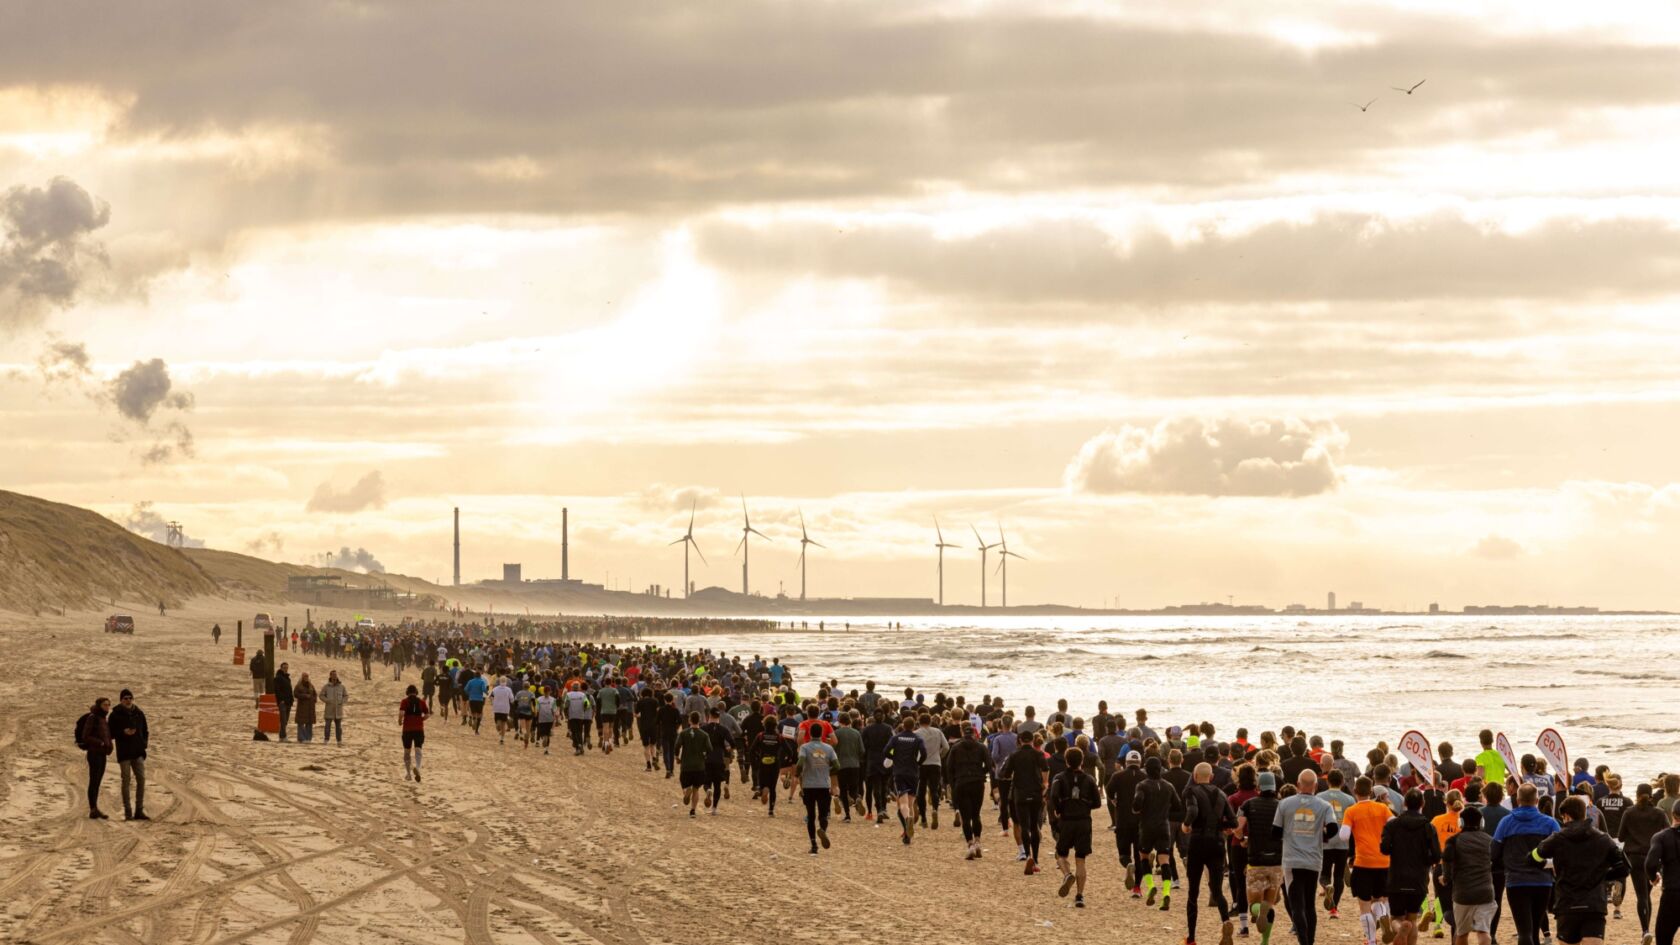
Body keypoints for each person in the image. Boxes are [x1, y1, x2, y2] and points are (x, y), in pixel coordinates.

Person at [1537, 795, 1628, 945]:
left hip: (1567, 903)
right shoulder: (1603, 838)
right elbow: (1624, 867)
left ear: (1565, 816)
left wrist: (1548, 868)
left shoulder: (1557, 838)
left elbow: (1533, 857)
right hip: (1594, 904)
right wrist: (1603, 875)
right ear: (1584, 813)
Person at [1276, 770, 1340, 945]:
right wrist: (1321, 834)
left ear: (1297, 785)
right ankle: (1309, 942)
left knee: (1297, 904)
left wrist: (1290, 832)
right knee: (1310, 905)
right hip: (1313, 858)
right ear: (1316, 786)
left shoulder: (1284, 804)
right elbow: (1334, 829)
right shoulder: (1324, 805)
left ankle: (1303, 942)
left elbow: (1275, 831)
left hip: (1291, 859)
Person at [1491, 784, 1560, 945]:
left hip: (1516, 881)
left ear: (1517, 800)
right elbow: (1561, 852)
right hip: (1542, 881)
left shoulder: (1506, 822)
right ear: (1537, 801)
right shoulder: (1550, 823)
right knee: (1535, 930)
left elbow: (1494, 852)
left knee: (1524, 931)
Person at [1183, 761, 1239, 945]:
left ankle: (1191, 938)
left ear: (1195, 775)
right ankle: (1226, 921)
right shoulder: (1221, 794)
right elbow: (1234, 822)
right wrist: (1222, 827)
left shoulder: (1191, 791)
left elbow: (1192, 810)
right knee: (1216, 891)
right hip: (1217, 844)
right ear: (1212, 777)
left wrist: (1186, 824)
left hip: (1198, 842)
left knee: (1193, 892)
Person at [1382, 789, 1443, 945]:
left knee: (1396, 918)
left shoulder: (1393, 825)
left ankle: (1400, 928)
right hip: (1418, 879)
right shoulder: (1428, 827)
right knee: (1412, 919)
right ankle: (1406, 927)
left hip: (1396, 878)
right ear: (1422, 804)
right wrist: (1425, 860)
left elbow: (1384, 849)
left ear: (1404, 803)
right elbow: (1437, 856)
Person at [1343, 776, 1395, 945]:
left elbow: (1343, 835)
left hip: (1363, 862)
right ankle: (1382, 915)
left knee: (1364, 905)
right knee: (1379, 899)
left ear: (1355, 792)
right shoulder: (1382, 808)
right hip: (1383, 861)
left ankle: (1371, 940)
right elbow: (1395, 825)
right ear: (1371, 791)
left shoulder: (1351, 811)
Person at [1048, 745, 1101, 908]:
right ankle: (1079, 895)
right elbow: (1097, 803)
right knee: (1081, 859)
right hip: (1084, 821)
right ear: (1082, 761)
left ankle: (1067, 874)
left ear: (1066, 761)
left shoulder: (1059, 777)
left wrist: (1058, 810)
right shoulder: (1090, 779)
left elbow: (1053, 796)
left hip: (1067, 820)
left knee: (1061, 854)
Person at [1241, 771, 1286, 945]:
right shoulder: (1282, 805)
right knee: (1270, 903)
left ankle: (1260, 910)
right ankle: (1265, 941)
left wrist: (1242, 839)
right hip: (1277, 862)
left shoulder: (1248, 804)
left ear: (1258, 787)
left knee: (1253, 906)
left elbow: (1239, 827)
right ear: (1274, 787)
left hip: (1256, 861)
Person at [1624, 782, 1671, 945]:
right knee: (1647, 894)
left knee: (1641, 895)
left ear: (1636, 795)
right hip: (1653, 857)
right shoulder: (1659, 813)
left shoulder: (1629, 812)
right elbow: (1667, 832)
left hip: (1635, 858)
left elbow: (1621, 836)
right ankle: (1647, 930)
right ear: (1651, 795)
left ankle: (1645, 930)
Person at [1442, 807, 1496, 945]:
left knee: (1462, 933)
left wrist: (1445, 878)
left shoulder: (1454, 840)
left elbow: (1447, 861)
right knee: (1484, 932)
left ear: (1461, 822)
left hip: (1463, 894)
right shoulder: (1489, 840)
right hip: (1485, 892)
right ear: (1482, 822)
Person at [1136, 754, 1184, 911]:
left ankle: (1150, 886)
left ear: (1146, 770)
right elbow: (1177, 805)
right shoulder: (1168, 786)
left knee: (1143, 856)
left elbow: (1137, 804)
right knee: (1164, 859)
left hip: (1147, 826)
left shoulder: (1142, 785)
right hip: (1164, 826)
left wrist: (1138, 809)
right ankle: (1166, 893)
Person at [1004, 729, 1049, 872]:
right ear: (1032, 741)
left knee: (1024, 826)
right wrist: (1045, 783)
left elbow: (1005, 773)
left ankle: (1027, 854)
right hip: (1035, 792)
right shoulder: (1038, 754)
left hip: (1020, 793)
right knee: (1035, 826)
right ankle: (1035, 860)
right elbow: (1045, 768)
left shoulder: (1014, 755)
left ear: (1020, 741)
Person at [948, 722, 991, 859]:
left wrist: (952, 783)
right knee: (976, 814)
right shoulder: (981, 747)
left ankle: (970, 844)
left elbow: (949, 767)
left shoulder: (956, 747)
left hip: (961, 782)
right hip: (977, 782)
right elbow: (990, 765)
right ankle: (978, 841)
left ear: (963, 734)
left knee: (966, 817)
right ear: (974, 735)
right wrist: (981, 772)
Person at [1320, 768, 1357, 918]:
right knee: (1339, 876)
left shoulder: (1319, 797)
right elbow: (1354, 825)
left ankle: (1326, 887)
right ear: (1342, 782)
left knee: (1324, 873)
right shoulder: (1349, 799)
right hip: (1343, 842)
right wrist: (1354, 850)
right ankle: (1334, 909)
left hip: (1325, 840)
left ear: (1327, 781)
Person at [108, 688, 149, 821]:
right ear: (121, 700)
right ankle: (128, 812)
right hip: (124, 752)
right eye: (125, 698)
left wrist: (143, 744)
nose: (128, 700)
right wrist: (123, 732)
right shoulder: (115, 714)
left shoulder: (138, 713)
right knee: (126, 781)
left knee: (141, 780)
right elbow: (110, 733)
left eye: (130, 698)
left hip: (138, 752)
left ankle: (139, 811)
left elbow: (145, 730)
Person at [797, 730, 840, 855]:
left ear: (810, 734)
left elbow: (800, 763)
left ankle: (814, 845)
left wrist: (797, 773)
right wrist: (828, 771)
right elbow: (837, 765)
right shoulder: (829, 748)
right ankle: (822, 829)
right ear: (821, 734)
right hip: (824, 785)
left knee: (811, 816)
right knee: (823, 814)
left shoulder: (805, 747)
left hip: (808, 785)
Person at [75, 697, 115, 819]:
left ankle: (95, 809)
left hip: (102, 753)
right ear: (99, 705)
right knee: (94, 781)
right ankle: (93, 809)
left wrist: (108, 744)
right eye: (104, 705)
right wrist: (100, 743)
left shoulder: (102, 718)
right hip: (94, 753)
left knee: (97, 782)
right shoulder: (93, 717)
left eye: (108, 705)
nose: (107, 707)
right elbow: (85, 736)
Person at [1648, 803, 1680, 945]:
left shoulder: (1661, 837)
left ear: (1673, 814)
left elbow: (1650, 863)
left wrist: (1653, 877)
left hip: (1672, 894)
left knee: (1663, 938)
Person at [676, 712, 712, 817]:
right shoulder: (704, 735)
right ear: (699, 721)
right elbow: (710, 749)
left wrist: (676, 757)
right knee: (696, 789)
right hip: (699, 765)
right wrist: (704, 756)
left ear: (689, 720)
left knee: (685, 784)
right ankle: (692, 811)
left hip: (686, 765)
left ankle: (687, 790)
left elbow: (677, 746)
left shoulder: (683, 733)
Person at [399, 684, 430, 782]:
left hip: (407, 729)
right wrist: (421, 719)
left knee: (407, 751)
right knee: (418, 749)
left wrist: (400, 720)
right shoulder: (421, 702)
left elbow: (402, 713)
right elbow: (427, 714)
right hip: (418, 729)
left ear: (407, 692)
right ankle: (418, 767)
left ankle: (408, 774)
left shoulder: (404, 701)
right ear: (416, 692)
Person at [563, 683, 592, 756]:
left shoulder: (568, 695)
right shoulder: (583, 695)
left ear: (572, 688)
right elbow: (587, 704)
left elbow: (566, 705)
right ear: (579, 688)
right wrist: (583, 710)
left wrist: (566, 715)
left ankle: (578, 747)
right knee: (579, 731)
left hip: (572, 715)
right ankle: (580, 745)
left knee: (574, 731)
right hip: (580, 715)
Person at [320, 670, 348, 744]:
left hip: (338, 710)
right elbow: (321, 695)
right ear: (330, 676)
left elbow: (346, 696)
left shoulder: (341, 686)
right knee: (327, 726)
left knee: (338, 727)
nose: (334, 676)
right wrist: (327, 700)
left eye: (335, 675)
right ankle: (326, 739)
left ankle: (339, 740)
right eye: (333, 675)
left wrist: (342, 701)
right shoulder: (326, 686)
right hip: (329, 709)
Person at [489, 677, 514, 746]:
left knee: (497, 721)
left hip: (497, 708)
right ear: (506, 682)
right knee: (503, 724)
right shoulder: (508, 690)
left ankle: (499, 729)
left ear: (499, 681)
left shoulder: (495, 689)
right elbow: (512, 699)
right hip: (505, 709)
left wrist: (492, 702)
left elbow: (490, 696)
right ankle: (502, 739)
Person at [293, 672, 317, 743]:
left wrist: (314, 699)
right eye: (305, 676)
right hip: (302, 707)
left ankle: (308, 738)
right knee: (300, 723)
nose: (306, 677)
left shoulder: (311, 685)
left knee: (309, 723)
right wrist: (305, 696)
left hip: (310, 708)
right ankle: (301, 738)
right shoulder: (298, 685)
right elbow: (295, 694)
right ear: (302, 677)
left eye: (307, 676)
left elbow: (315, 694)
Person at [273, 662, 294, 741]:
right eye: (284, 667)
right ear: (281, 668)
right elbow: (277, 690)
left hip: (288, 702)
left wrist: (291, 700)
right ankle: (283, 736)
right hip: (282, 703)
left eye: (287, 667)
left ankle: (282, 736)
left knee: (285, 721)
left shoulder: (288, 678)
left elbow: (289, 690)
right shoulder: (278, 678)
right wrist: (281, 700)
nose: (286, 669)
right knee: (283, 720)